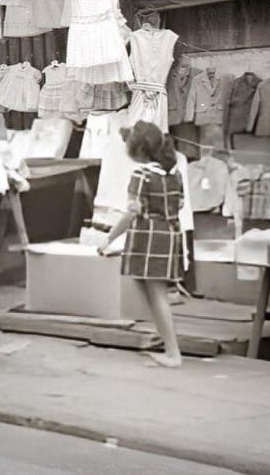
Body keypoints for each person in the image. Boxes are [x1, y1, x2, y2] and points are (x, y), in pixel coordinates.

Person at [99, 121, 186, 368]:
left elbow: (131, 214)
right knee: (153, 292)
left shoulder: (141, 175)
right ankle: (165, 338)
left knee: (157, 295)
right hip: (170, 234)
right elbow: (178, 205)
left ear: (138, 151)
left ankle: (172, 353)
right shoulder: (174, 173)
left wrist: (108, 238)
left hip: (148, 237)